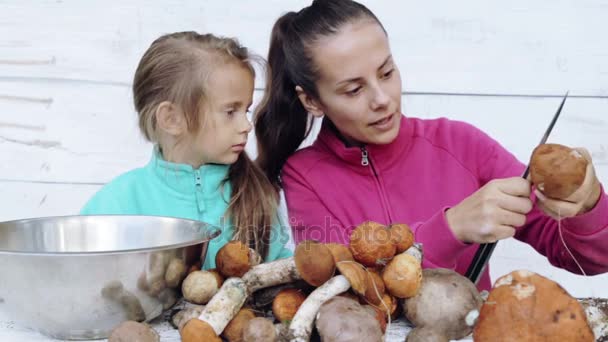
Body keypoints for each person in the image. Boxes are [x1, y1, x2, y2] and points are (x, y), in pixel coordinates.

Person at [254, 0, 608, 290]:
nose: (382, 99)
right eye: (354, 89)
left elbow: (591, 256)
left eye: (387, 72)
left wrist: (587, 205)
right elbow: (340, 292)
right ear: (312, 101)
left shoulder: (461, 144)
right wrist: (451, 229)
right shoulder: (304, 177)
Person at [81, 31, 292, 269]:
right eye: (230, 112)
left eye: (246, 110)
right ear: (171, 119)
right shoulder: (116, 205)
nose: (246, 125)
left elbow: (278, 277)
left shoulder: (256, 195)